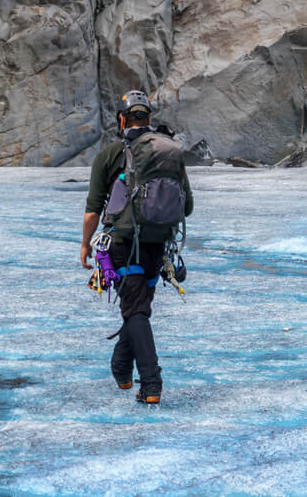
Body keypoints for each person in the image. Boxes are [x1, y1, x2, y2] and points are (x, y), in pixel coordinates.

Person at [80, 90, 194, 404]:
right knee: (138, 308)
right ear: (150, 120)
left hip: (122, 243)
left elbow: (94, 209)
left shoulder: (109, 155)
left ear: (121, 119)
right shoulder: (167, 152)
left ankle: (152, 384)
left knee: (135, 310)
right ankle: (121, 368)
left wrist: (85, 245)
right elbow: (188, 207)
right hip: (158, 245)